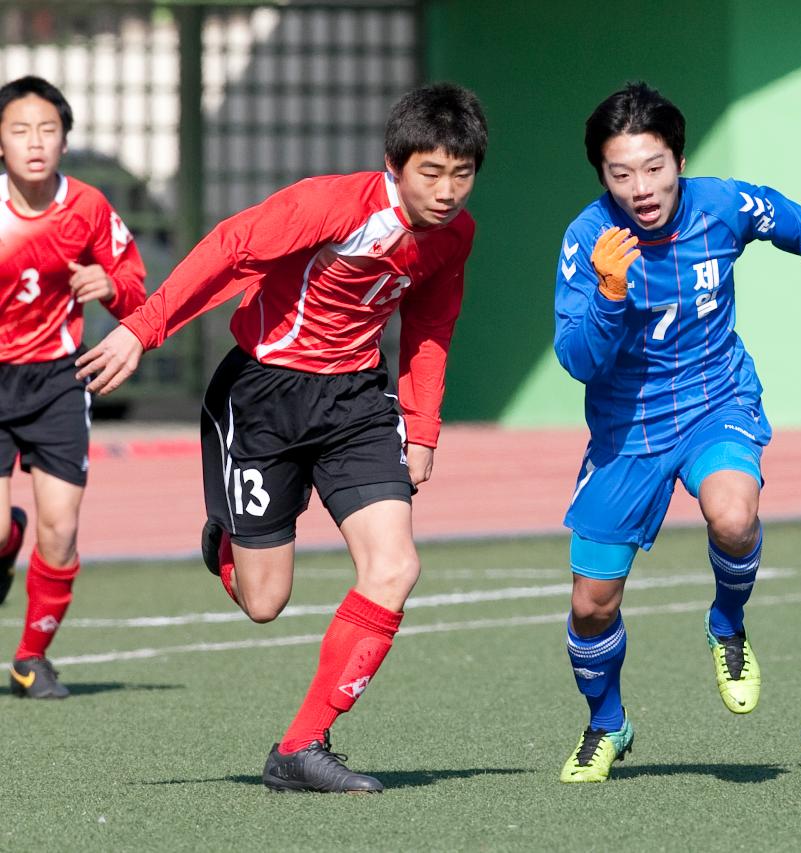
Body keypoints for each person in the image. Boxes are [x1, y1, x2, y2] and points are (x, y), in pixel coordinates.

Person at [76, 83, 486, 792]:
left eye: (462, 173)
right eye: (431, 172)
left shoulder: (455, 236)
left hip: (357, 400)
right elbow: (231, 250)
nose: (447, 191)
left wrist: (422, 428)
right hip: (263, 395)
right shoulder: (332, 204)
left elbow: (430, 326)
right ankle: (227, 537)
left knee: (395, 567)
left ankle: (302, 745)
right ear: (395, 164)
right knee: (265, 603)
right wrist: (144, 329)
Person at [554, 81, 801, 783]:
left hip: (716, 398)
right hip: (626, 432)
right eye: (621, 173)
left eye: (654, 166)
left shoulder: (722, 205)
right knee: (591, 604)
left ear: (680, 158)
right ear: (602, 175)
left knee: (733, 513)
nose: (641, 187)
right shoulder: (585, 241)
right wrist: (608, 296)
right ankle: (607, 723)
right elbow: (578, 361)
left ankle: (726, 623)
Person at [0, 76, 146, 699]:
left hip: (59, 381)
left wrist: (109, 287)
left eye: (47, 130)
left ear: (64, 139)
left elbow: (136, 285)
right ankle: (8, 536)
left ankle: (31, 659)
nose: (35, 142)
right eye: (19, 130)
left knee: (60, 530)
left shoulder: (88, 207)